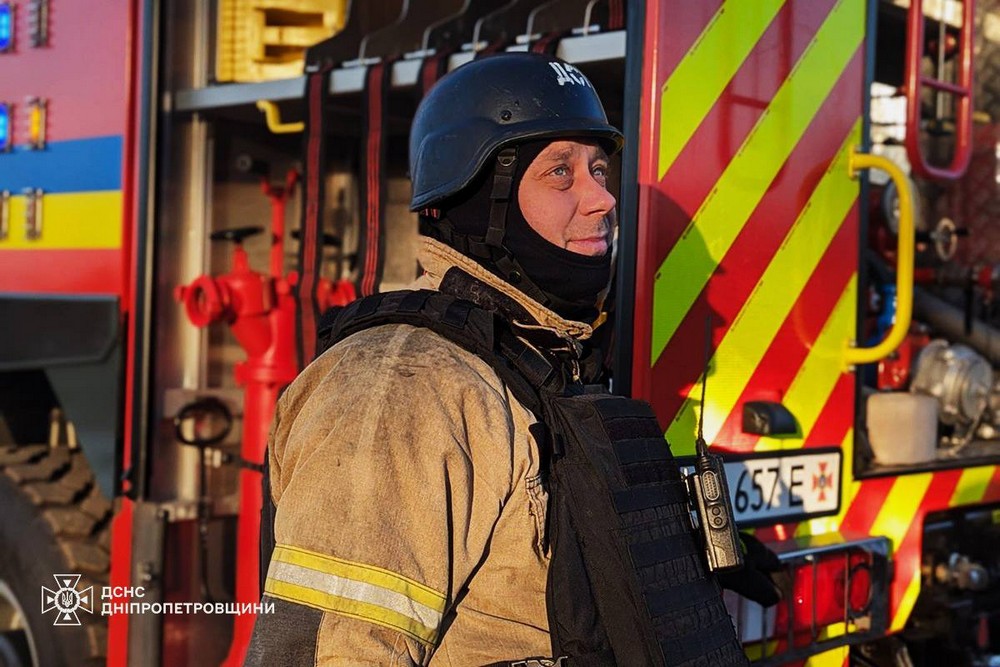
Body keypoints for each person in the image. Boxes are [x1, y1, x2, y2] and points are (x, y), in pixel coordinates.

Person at [246, 52, 757, 666]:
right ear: (482, 195)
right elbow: (333, 649)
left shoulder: (543, 361)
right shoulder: (400, 387)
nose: (602, 198)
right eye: (560, 173)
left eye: (599, 169)